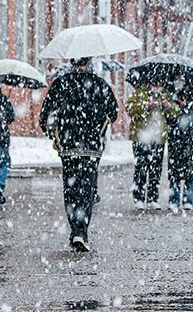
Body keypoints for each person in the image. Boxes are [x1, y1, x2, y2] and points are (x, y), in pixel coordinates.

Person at [39, 56, 118, 252]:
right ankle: (81, 231)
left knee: (71, 188)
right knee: (87, 188)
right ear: (89, 63)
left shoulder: (61, 84)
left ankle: (76, 227)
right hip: (91, 147)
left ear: (72, 63)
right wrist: (99, 121)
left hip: (69, 147)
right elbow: (114, 112)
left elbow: (44, 116)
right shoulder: (100, 84)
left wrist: (54, 133)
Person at [126, 82, 178, 209]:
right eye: (154, 82)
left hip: (158, 138)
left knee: (156, 169)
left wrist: (168, 106)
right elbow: (129, 108)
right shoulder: (139, 92)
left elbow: (175, 112)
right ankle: (139, 197)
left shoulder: (164, 94)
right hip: (142, 138)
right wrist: (146, 105)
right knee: (141, 168)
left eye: (159, 83)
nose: (157, 85)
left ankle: (152, 198)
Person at [166, 80, 193, 212]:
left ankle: (188, 200)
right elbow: (170, 121)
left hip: (189, 145)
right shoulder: (173, 107)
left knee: (189, 174)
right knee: (175, 175)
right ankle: (174, 200)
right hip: (176, 145)